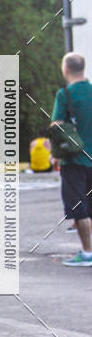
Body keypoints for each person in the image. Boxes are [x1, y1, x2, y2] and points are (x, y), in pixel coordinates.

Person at [51, 52, 92, 266]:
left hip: (74, 160)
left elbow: (57, 125)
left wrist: (54, 154)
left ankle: (87, 253)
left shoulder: (64, 94)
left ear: (65, 69)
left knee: (79, 208)